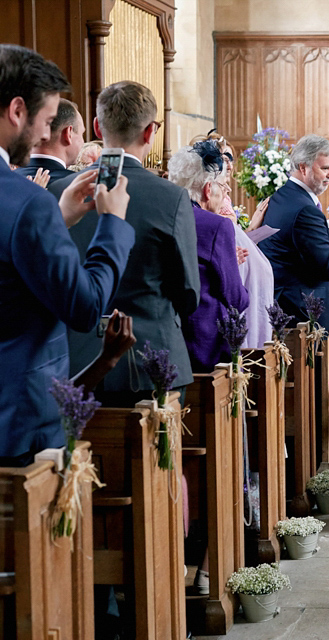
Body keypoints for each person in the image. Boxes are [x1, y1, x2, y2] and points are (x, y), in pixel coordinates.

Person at [0, 45, 135, 464]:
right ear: (17, 110)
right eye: (44, 121)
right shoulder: (24, 201)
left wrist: (58, 220)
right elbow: (84, 306)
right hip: (20, 425)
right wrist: (112, 223)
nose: (45, 135)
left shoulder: (29, 205)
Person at [49, 81, 200, 406]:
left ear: (96, 127)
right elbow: (188, 292)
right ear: (150, 133)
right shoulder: (171, 197)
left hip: (75, 363)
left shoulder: (58, 192)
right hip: (152, 362)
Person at [258, 134, 329, 332]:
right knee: (311, 364)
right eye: (325, 168)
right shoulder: (305, 209)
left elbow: (300, 238)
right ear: (303, 167)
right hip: (300, 313)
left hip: (284, 303)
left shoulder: (284, 194)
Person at [167, 142, 249, 371]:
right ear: (207, 189)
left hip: (168, 341)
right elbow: (236, 298)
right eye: (222, 186)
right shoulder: (217, 226)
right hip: (205, 345)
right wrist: (230, 266)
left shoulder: (163, 216)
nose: (225, 193)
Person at [193, 129, 274, 348]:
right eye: (223, 158)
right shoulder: (209, 217)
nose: (228, 165)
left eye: (229, 158)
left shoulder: (219, 199)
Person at [14, 97, 83, 185]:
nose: (82, 141)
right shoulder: (83, 186)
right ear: (68, 134)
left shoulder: (4, 181)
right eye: (82, 134)